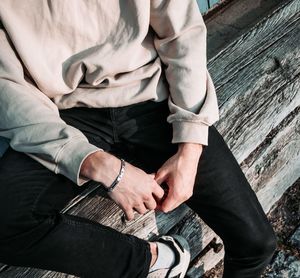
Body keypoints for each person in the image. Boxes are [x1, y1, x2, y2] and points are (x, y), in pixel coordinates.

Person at [0, 0, 277, 277]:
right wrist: (102, 167)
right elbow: (7, 88)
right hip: (63, 114)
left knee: (256, 243)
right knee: (5, 224)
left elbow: (182, 34)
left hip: (151, 100)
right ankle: (155, 261)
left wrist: (190, 147)